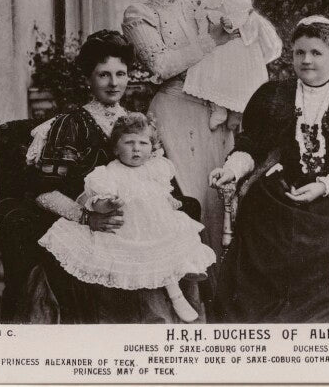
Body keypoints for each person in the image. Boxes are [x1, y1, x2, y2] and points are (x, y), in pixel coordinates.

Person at [209, 16, 329, 323]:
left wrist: (324, 185)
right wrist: (232, 171)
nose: (306, 60)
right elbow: (250, 146)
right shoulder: (272, 95)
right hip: (283, 190)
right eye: (299, 52)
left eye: (316, 53)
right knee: (264, 220)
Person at [24, 30, 204, 323]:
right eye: (103, 74)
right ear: (88, 79)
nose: (114, 82)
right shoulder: (71, 124)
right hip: (93, 223)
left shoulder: (135, 123)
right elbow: (44, 191)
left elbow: (155, 178)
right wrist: (88, 218)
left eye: (120, 74)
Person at [37, 112, 216, 322]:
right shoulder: (108, 173)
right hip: (128, 228)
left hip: (156, 226)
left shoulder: (154, 169)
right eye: (129, 142)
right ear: (115, 148)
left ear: (152, 148)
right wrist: (107, 204)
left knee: (172, 243)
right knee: (138, 259)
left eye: (143, 143)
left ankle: (179, 289)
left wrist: (170, 202)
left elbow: (161, 193)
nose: (137, 148)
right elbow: (95, 200)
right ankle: (159, 299)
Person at [122, 0, 234, 257]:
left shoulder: (200, 7)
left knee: (222, 197)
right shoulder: (139, 14)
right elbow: (160, 64)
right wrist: (210, 41)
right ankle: (195, 284)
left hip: (213, 113)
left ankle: (224, 289)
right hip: (173, 111)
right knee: (190, 196)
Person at [182, 0, 282, 131]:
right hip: (219, 48)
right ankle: (218, 109)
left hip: (236, 48)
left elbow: (246, 15)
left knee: (236, 82)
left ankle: (236, 114)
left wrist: (232, 21)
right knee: (215, 78)